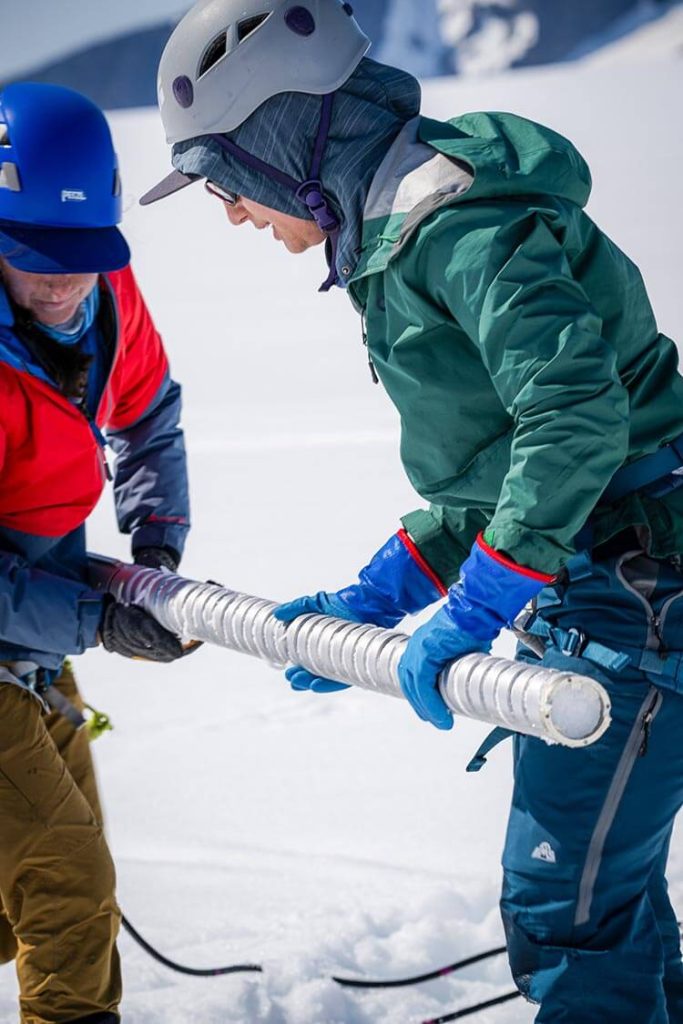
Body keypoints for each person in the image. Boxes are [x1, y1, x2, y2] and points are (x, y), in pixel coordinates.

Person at [141, 1, 683, 1020]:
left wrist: (475, 608)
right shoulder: (399, 236)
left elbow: (572, 421)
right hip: (602, 580)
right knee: (607, 890)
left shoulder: (462, 225)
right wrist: (379, 590)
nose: (231, 214)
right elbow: (491, 477)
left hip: (640, 587)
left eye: (224, 180)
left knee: (562, 903)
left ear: (276, 140)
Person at [0, 82, 192, 1023]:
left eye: (81, 254)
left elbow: (147, 414)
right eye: (36, 256)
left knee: (31, 894)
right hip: (30, 625)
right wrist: (99, 617)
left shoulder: (101, 292)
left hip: (33, 644)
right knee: (66, 878)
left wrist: (155, 551)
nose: (63, 280)